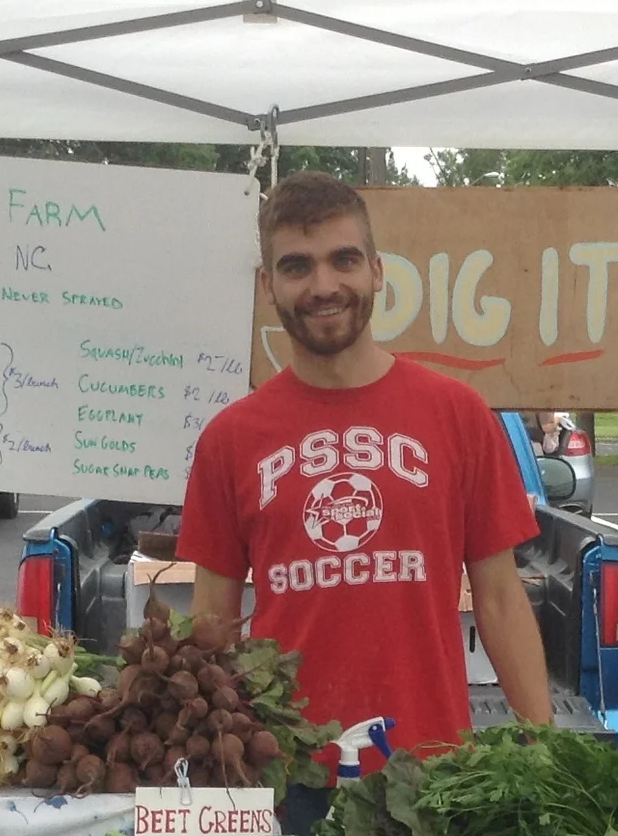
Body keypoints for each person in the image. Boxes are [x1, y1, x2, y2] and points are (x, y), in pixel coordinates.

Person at [177, 172, 550, 762]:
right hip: (287, 775)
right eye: (297, 267)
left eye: (344, 260)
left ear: (377, 271)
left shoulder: (458, 415)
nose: (323, 285)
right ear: (268, 286)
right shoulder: (230, 440)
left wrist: (547, 750)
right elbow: (211, 623)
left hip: (432, 772)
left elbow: (501, 599)